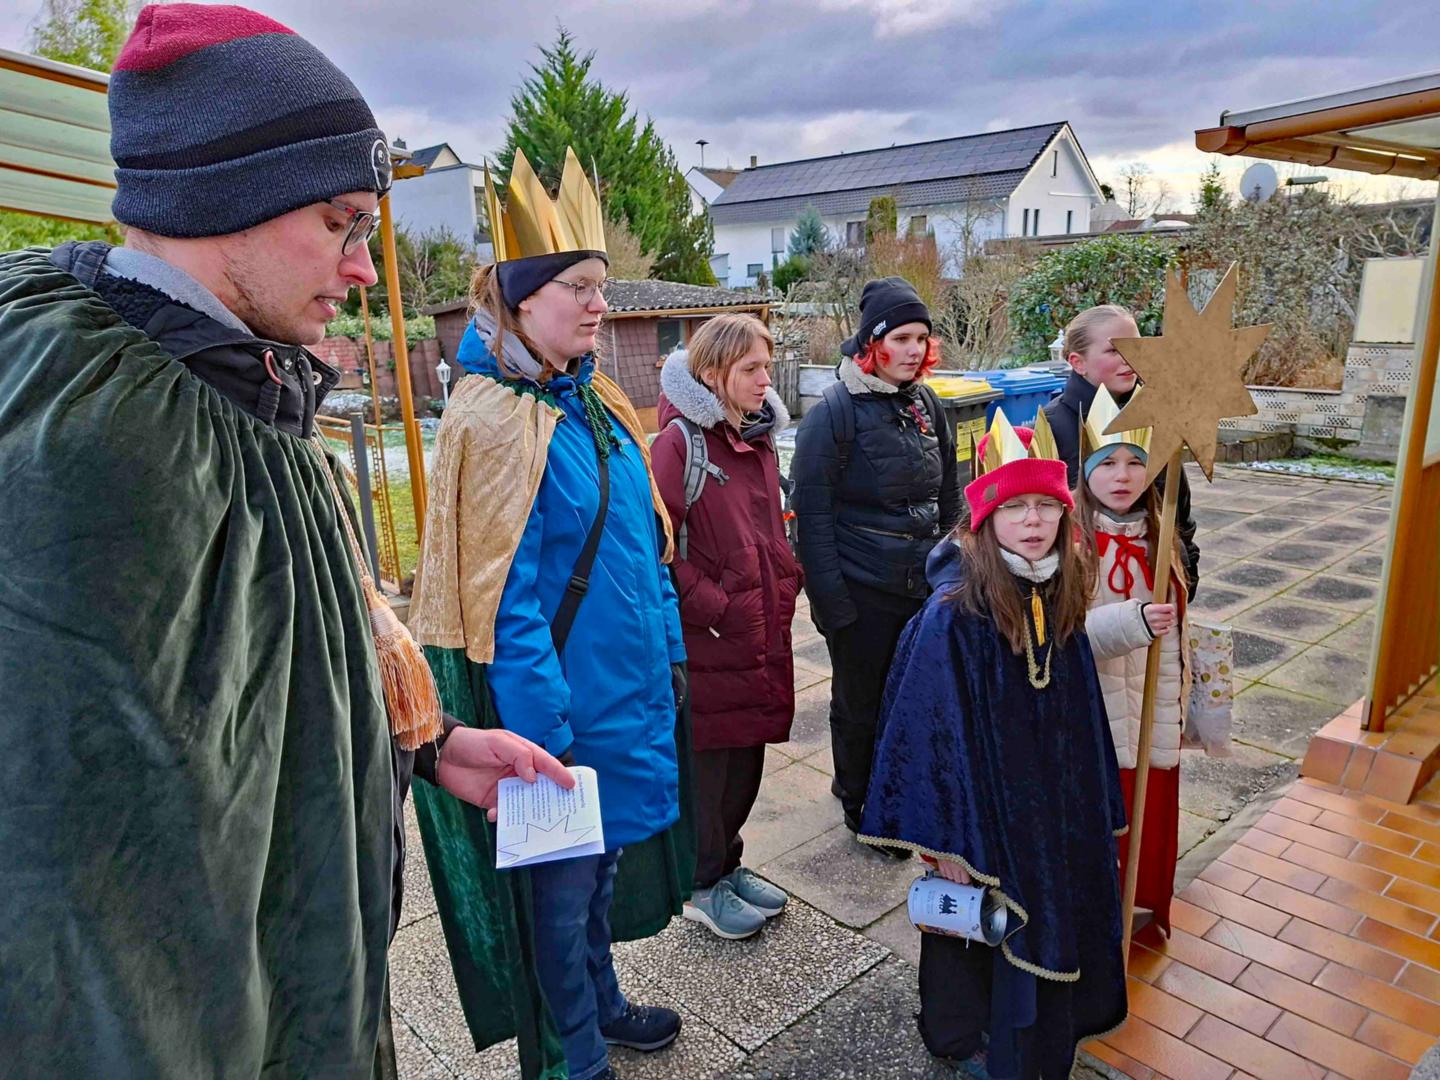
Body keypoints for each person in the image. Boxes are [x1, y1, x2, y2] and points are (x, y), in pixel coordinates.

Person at [0, 6, 571, 1077]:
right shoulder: (97, 440)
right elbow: (82, 900)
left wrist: (430, 746)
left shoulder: (228, 386)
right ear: (226, 199)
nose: (365, 268)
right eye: (343, 222)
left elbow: (264, 679)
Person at [408, 148, 690, 1080]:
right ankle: (575, 1057)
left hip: (627, 691)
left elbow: (643, 545)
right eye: (580, 286)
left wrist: (671, 654)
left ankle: (602, 1005)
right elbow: (505, 601)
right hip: (557, 715)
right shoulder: (491, 418)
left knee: (600, 874)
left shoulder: (594, 402)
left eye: (602, 285)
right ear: (524, 299)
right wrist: (546, 736)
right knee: (558, 902)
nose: (600, 302)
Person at [859, 412, 1129, 1079]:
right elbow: (925, 736)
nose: (1033, 521)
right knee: (982, 931)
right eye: (1014, 507)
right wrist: (944, 844)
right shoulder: (954, 615)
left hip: (1050, 812)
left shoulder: (1059, 591)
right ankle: (972, 1040)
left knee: (1047, 918)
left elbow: (1079, 712)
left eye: (1046, 505)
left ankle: (1033, 1043)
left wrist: (1092, 801)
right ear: (985, 517)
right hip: (983, 814)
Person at [791, 276, 960, 849]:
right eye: (901, 338)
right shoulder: (833, 414)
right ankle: (859, 800)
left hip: (923, 588)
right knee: (860, 705)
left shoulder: (927, 404)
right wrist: (833, 605)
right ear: (873, 344)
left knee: (915, 697)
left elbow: (949, 497)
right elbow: (811, 517)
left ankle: (904, 794)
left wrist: (950, 570)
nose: (914, 349)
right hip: (862, 591)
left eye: (921, 338)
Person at [652, 314, 801, 940]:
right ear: (713, 374)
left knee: (746, 760)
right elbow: (655, 547)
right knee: (708, 772)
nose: (766, 380)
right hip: (710, 640)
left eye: (767, 366)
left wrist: (785, 582)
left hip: (759, 632)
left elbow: (767, 530)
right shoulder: (678, 445)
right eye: (751, 369)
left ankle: (728, 865)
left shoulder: (757, 437)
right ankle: (701, 884)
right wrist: (717, 607)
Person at [1076, 386, 1193, 938]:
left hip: (1152, 712)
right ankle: (1099, 922)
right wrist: (1134, 622)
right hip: (1096, 716)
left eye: (1135, 463)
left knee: (1149, 815)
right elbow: (1062, 638)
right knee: (1103, 821)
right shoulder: (1069, 543)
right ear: (1085, 471)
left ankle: (1141, 909)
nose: (1122, 476)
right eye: (1107, 463)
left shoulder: (1162, 538)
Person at [1042, 304, 1200, 595]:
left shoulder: (1156, 419)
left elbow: (1177, 504)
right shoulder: (1052, 427)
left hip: (1153, 586)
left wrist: (1184, 571)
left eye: (1134, 346)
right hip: (1083, 594)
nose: (1129, 358)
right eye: (1114, 350)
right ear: (1078, 362)